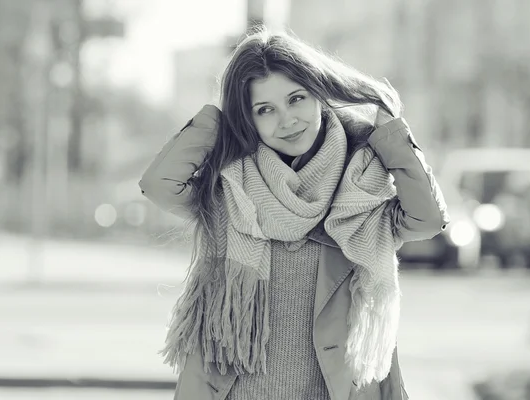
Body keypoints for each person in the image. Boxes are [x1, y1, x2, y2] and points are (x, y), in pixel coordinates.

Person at [139, 27, 449, 400]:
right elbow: (160, 184)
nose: (286, 120)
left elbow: (427, 219)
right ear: (248, 120)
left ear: (319, 93)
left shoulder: (360, 192)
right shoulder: (230, 190)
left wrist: (392, 137)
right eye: (264, 109)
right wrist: (217, 121)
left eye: (296, 98)